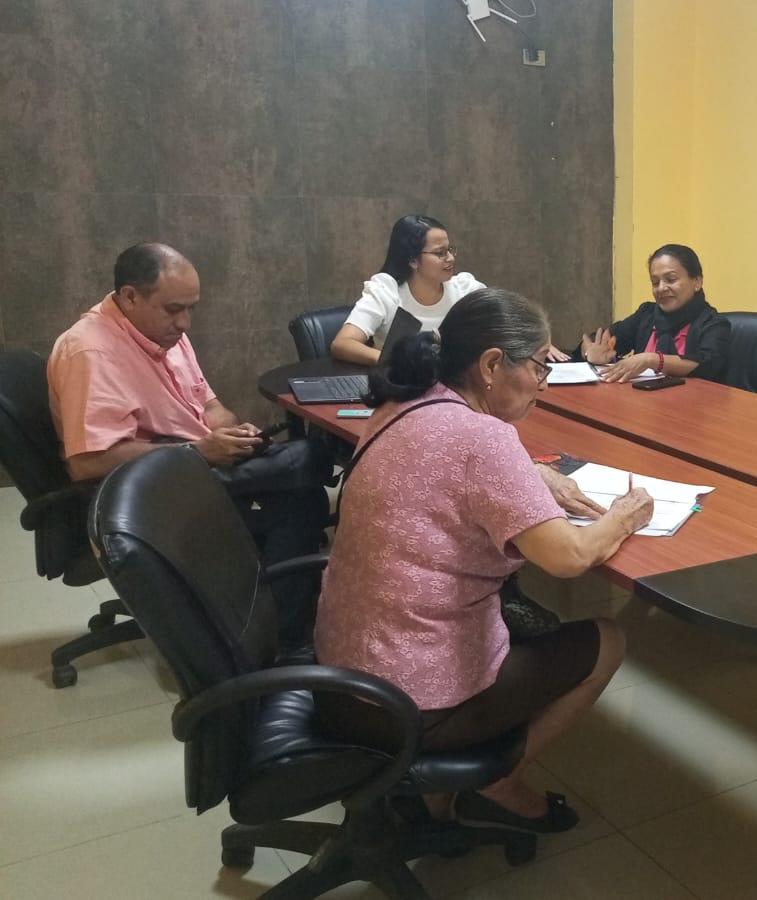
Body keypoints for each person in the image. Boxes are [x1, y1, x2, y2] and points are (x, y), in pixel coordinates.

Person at [315, 287, 653, 834]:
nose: (544, 383)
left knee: (520, 612)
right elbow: (569, 557)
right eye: (539, 366)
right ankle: (497, 784)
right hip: (407, 704)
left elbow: (445, 473)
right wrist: (624, 516)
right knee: (607, 641)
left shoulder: (400, 406)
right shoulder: (483, 438)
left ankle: (443, 786)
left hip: (343, 673)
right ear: (493, 365)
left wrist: (532, 474)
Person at [47, 243, 330, 644]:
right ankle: (278, 642)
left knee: (302, 480)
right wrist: (199, 451)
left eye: (190, 309)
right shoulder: (90, 352)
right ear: (130, 296)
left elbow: (210, 407)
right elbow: (88, 463)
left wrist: (230, 435)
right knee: (300, 494)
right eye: (174, 309)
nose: (185, 322)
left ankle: (259, 617)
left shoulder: (163, 333)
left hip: (193, 465)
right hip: (145, 495)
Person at [330, 215, 493, 366]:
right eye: (440, 253)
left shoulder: (465, 290)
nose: (450, 258)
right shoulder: (386, 292)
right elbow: (342, 343)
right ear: (413, 260)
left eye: (450, 250)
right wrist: (395, 363)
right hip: (400, 383)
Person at [578, 243, 731, 383]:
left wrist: (652, 360)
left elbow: (707, 364)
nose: (661, 288)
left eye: (671, 279)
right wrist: (591, 353)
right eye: (655, 282)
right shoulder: (646, 314)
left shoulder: (714, 323)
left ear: (697, 282)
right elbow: (605, 339)